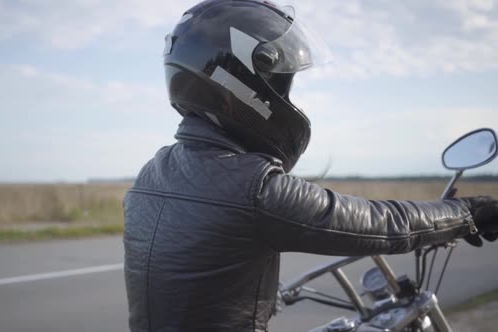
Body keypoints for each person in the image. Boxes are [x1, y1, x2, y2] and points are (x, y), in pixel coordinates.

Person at [122, 0, 498, 331]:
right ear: (243, 86)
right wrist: (468, 212)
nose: (287, 100)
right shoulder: (254, 189)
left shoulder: (151, 174)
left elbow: (195, 279)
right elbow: (383, 224)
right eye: (283, 85)